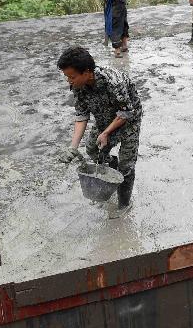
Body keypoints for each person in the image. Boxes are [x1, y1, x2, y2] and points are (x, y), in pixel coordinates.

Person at [57, 46, 142, 218]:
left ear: (87, 72)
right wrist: (73, 147)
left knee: (126, 164)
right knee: (93, 150)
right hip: (104, 118)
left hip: (128, 120)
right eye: (67, 77)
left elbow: (126, 112)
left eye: (72, 77)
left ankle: (124, 203)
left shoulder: (113, 81)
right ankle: (111, 172)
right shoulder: (79, 86)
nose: (69, 81)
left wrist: (106, 133)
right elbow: (81, 115)